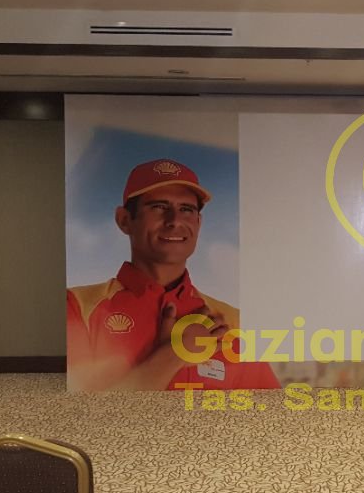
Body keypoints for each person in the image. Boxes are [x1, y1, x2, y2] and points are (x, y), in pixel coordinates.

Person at [67, 159, 279, 391]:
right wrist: (174, 354)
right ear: (124, 220)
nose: (175, 221)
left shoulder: (233, 322)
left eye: (186, 209)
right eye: (158, 207)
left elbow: (267, 408)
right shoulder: (77, 307)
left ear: (198, 223)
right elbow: (79, 410)